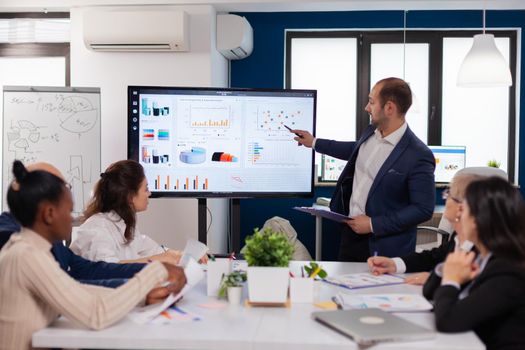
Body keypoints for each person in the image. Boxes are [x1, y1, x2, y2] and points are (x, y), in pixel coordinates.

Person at [0, 160, 187, 350]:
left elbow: (78, 289)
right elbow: (96, 313)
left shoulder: (33, 250)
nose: (74, 219)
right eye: (69, 210)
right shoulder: (28, 257)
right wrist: (156, 272)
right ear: (48, 213)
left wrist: (144, 295)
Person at [292, 77, 435, 261]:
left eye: (372, 102)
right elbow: (355, 151)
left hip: (385, 246)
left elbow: (423, 209)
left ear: (389, 108)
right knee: (342, 288)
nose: (367, 108)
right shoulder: (370, 132)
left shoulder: (418, 154)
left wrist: (374, 224)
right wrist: (314, 142)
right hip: (350, 235)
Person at [433, 176, 525, 349]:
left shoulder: (508, 271)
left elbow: (448, 320)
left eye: (464, 209)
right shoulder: (486, 258)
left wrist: (451, 280)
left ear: (478, 220)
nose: (459, 214)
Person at [70, 160, 206, 264]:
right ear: (130, 196)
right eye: (146, 189)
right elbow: (107, 269)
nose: (150, 193)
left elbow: (155, 250)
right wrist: (159, 259)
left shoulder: (123, 224)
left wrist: (187, 256)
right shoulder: (98, 229)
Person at [366, 171, 482, 285]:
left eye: (449, 194)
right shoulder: (457, 237)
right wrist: (394, 264)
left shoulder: (481, 249)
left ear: (461, 208)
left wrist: (435, 280)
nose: (445, 199)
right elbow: (433, 257)